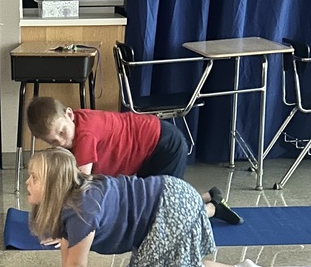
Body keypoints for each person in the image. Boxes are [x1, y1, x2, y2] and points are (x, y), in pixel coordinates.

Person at [24, 147, 272, 267]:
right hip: (169, 194)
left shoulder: (82, 212)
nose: (27, 182)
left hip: (170, 208)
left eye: (34, 178)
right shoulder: (73, 195)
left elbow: (79, 262)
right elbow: (68, 242)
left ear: (55, 185)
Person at [26, 96, 242, 224]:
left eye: (62, 133)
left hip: (163, 144)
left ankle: (212, 208)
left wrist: (62, 224)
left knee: (166, 215)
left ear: (70, 114)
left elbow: (81, 186)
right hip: (149, 149)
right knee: (150, 205)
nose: (63, 142)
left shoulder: (85, 134)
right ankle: (208, 195)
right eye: (54, 142)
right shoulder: (73, 126)